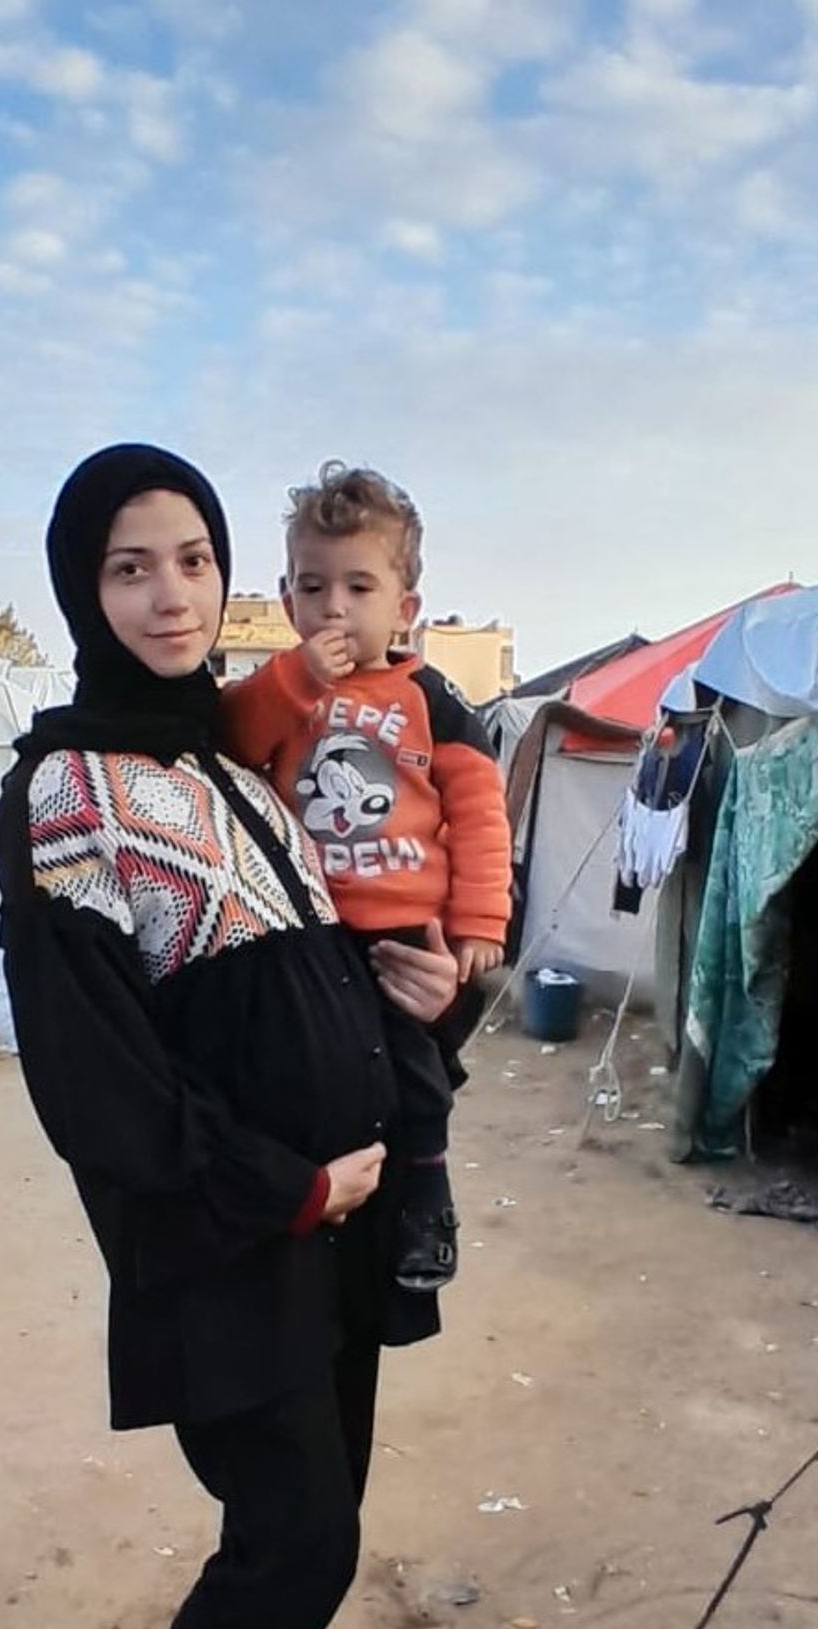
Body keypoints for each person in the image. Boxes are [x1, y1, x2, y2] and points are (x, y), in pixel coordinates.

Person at [0, 444, 461, 1629]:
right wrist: (281, 1188)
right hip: (233, 1230)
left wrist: (440, 994)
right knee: (301, 1528)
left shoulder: (238, 759)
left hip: (340, 1211)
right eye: (131, 565)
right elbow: (97, 1077)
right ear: (84, 586)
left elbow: (356, 936)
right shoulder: (67, 790)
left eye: (191, 558)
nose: (170, 593)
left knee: (317, 1524)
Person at [222, 462, 511, 1291]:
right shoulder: (280, 690)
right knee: (312, 1075)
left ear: (404, 608)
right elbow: (234, 740)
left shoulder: (433, 699)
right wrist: (296, 679)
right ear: (286, 603)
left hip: (400, 932)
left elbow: (480, 813)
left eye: (358, 586)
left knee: (414, 1077)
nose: (334, 609)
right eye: (313, 588)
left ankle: (427, 1203)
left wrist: (480, 925)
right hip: (306, 934)